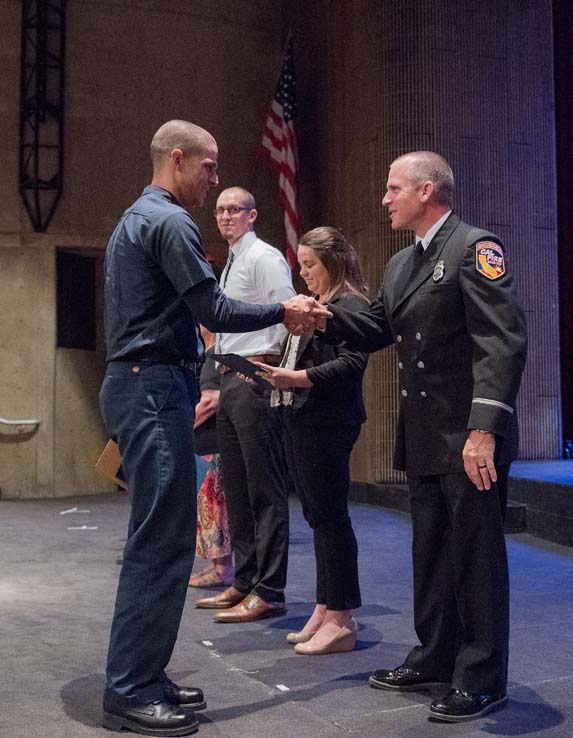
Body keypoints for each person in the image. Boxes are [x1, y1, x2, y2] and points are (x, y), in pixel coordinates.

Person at [99, 120, 328, 737]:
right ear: (178, 158)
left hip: (143, 381)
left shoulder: (137, 217)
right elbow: (213, 310)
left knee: (164, 535)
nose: (216, 177)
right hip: (151, 386)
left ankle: (144, 672)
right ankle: (129, 688)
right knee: (161, 540)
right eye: (210, 166)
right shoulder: (170, 222)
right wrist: (283, 310)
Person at [319, 152, 527, 721]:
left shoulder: (474, 247)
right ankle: (436, 656)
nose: (384, 199)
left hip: (467, 437)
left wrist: (485, 430)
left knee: (476, 557)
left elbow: (502, 343)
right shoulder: (401, 263)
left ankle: (483, 676)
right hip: (425, 435)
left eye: (393, 189)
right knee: (431, 552)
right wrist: (324, 318)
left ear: (427, 190)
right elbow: (376, 327)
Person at [255, 227, 369, 655]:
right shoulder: (320, 304)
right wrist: (269, 366)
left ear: (333, 262)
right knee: (319, 518)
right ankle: (325, 607)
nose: (303, 275)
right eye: (300, 266)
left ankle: (341, 617)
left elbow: (351, 364)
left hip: (329, 421)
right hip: (302, 418)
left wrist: (295, 378)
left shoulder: (350, 306)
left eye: (310, 265)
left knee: (332, 518)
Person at [195, 187, 296, 623]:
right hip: (231, 376)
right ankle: (244, 580)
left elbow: (287, 315)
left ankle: (270, 590)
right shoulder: (233, 261)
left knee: (264, 490)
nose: (226, 216)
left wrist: (270, 368)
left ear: (253, 215)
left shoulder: (264, 258)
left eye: (235, 209)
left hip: (256, 375)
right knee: (236, 489)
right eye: (220, 209)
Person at [189, 327, 233, 588]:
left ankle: (223, 569)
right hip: (207, 444)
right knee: (209, 508)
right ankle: (216, 565)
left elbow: (211, 401)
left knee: (216, 509)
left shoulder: (217, 353)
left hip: (214, 444)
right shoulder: (209, 354)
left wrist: (183, 427)